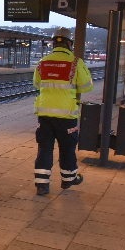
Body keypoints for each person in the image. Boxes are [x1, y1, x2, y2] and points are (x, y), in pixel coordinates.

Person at [33, 27, 93, 196]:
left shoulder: (42, 62)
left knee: (44, 148)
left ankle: (42, 185)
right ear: (69, 43)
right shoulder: (75, 62)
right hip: (66, 115)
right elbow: (87, 86)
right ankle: (68, 179)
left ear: (53, 43)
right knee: (67, 147)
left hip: (44, 114)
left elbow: (37, 84)